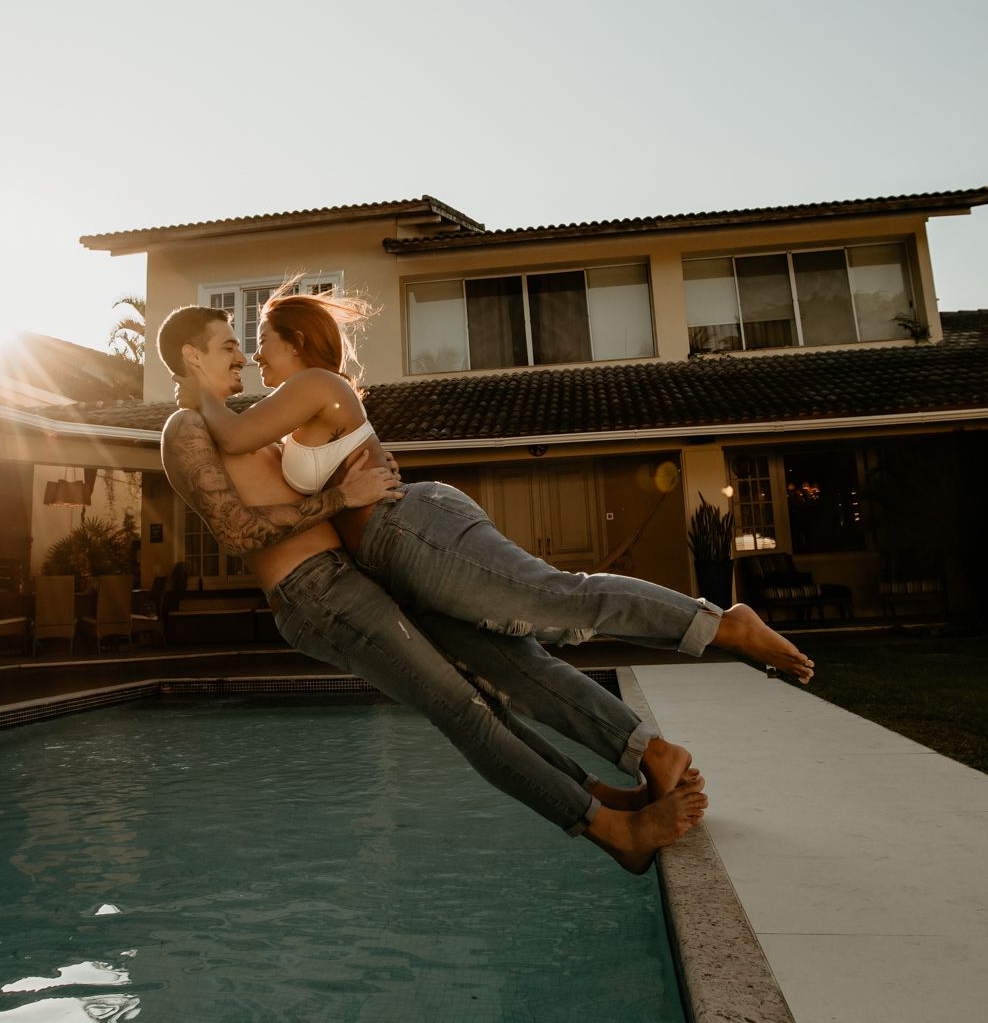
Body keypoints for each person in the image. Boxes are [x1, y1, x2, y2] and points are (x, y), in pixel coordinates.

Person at [159, 359, 709, 875]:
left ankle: (601, 799)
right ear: (191, 353)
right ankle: (612, 830)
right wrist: (340, 498)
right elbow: (235, 532)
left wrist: (364, 468)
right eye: (227, 345)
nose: (242, 359)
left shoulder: (243, 427)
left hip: (348, 578)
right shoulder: (184, 428)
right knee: (465, 712)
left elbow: (309, 475)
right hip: (313, 592)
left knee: (488, 689)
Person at [167, 286, 815, 685]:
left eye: (261, 342)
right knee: (525, 632)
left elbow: (227, 436)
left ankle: (719, 621)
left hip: (412, 529)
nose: (254, 357)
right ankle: (644, 739)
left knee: (553, 601)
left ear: (295, 342)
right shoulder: (295, 408)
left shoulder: (313, 384)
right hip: (391, 551)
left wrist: (194, 389)